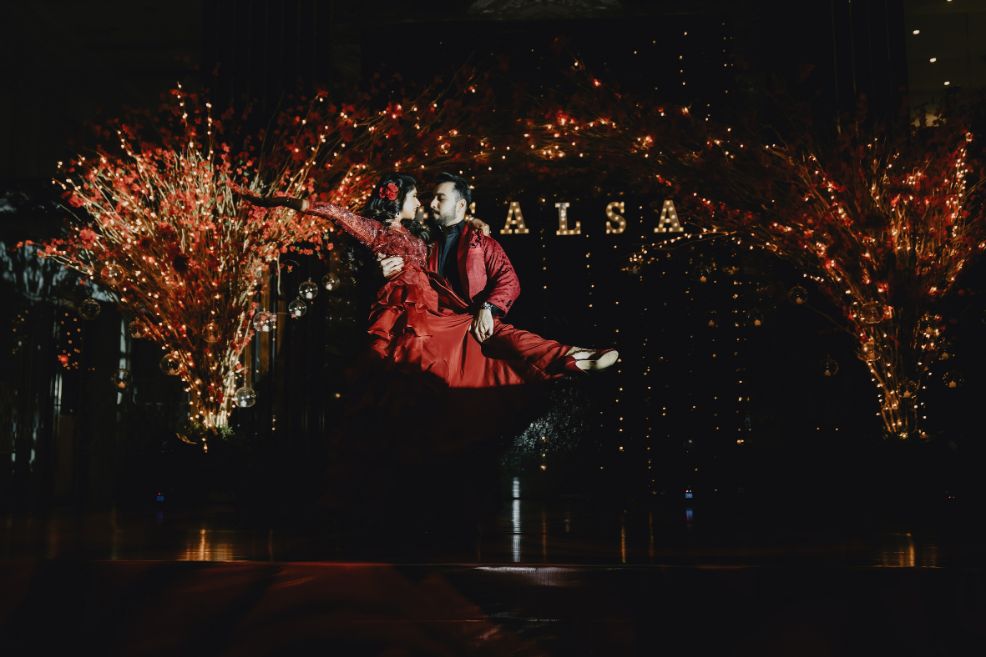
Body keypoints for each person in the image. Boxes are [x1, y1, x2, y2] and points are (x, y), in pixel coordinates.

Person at [243, 173, 617, 387]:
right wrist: (272, 201)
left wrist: (487, 304)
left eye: (436, 198)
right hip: (422, 320)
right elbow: (343, 220)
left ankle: (570, 356)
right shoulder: (404, 235)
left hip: (456, 316)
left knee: (505, 340)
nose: (426, 203)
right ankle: (569, 357)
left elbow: (508, 280)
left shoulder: (459, 238)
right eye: (423, 198)